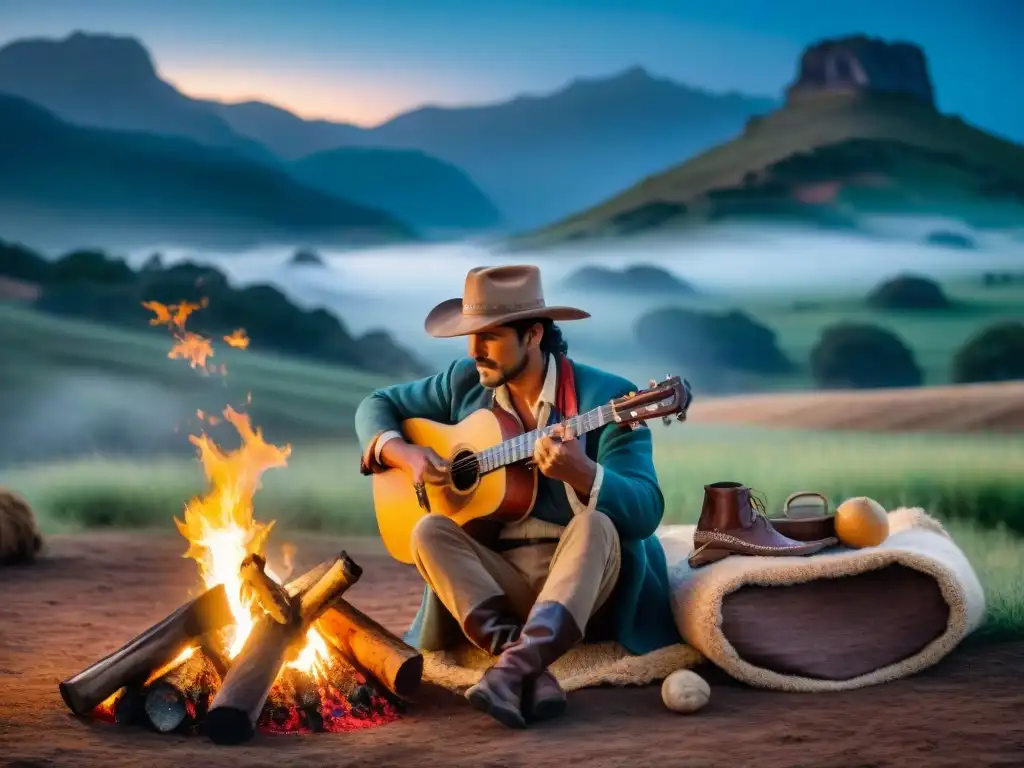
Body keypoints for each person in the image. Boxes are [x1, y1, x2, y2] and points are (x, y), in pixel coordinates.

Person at [354, 264, 684, 729]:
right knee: (427, 528)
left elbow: (646, 510)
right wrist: (403, 453)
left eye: (488, 336)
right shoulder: (464, 382)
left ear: (533, 334)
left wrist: (586, 474)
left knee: (595, 523)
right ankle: (522, 663)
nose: (474, 351)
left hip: (585, 587)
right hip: (498, 584)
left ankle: (508, 670)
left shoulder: (609, 398)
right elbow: (375, 405)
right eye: (470, 336)